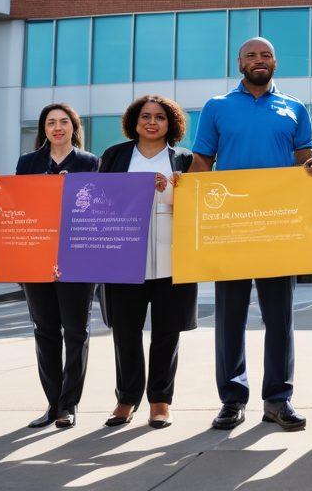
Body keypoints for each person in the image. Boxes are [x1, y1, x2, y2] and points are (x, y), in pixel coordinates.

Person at [191, 37, 312, 432]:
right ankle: (232, 400)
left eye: (266, 54)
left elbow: (305, 159)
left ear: (276, 62)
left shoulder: (295, 108)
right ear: (239, 63)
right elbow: (201, 161)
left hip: (278, 226)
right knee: (230, 318)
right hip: (231, 227)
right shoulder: (216, 107)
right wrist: (190, 208)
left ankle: (278, 399)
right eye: (251, 55)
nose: (259, 60)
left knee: (279, 319)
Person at [98, 95, 198, 430]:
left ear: (171, 123)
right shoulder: (114, 155)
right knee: (126, 332)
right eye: (145, 116)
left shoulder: (183, 158)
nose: (152, 122)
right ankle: (126, 399)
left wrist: (168, 192)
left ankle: (160, 402)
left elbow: (198, 206)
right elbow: (98, 200)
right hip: (123, 256)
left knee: (167, 333)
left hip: (172, 257)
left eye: (160, 117)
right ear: (134, 121)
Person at [15, 103, 99, 429]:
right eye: (51, 122)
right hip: (37, 258)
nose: (57, 127)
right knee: (45, 331)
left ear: (73, 126)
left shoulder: (90, 163)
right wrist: (2, 195)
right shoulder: (28, 163)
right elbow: (19, 207)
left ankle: (69, 405)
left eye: (64, 121)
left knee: (76, 332)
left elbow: (101, 208)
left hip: (78, 258)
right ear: (44, 128)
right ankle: (52, 404)